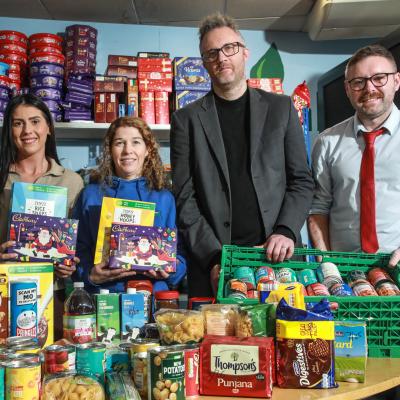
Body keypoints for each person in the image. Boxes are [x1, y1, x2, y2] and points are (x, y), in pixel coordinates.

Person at [170, 13, 314, 297]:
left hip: (278, 258)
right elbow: (185, 197)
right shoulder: (186, 120)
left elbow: (301, 180)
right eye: (212, 53)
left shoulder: (282, 109)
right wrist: (214, 257)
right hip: (217, 264)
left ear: (244, 52)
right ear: (204, 62)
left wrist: (285, 230)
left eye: (229, 48)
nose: (222, 57)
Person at [0, 93, 84, 339]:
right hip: (6, 291)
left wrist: (70, 264)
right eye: (18, 123)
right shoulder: (2, 178)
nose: (28, 130)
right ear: (10, 130)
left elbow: (78, 245)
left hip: (53, 293)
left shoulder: (72, 181)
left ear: (48, 127)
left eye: (35, 121)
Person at [308, 44, 400, 267]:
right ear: (348, 89)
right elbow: (318, 207)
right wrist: (327, 263)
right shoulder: (327, 141)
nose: (369, 88)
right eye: (358, 82)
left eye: (379, 78)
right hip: (347, 274)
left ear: (396, 81)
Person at [72, 116, 186, 293]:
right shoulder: (90, 195)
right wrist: (90, 275)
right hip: (104, 300)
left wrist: (171, 271)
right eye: (119, 143)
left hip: (154, 298)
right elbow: (77, 250)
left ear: (148, 149)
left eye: (136, 142)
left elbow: (181, 252)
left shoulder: (165, 199)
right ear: (110, 150)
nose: (127, 150)